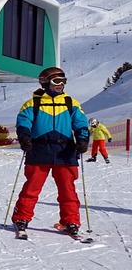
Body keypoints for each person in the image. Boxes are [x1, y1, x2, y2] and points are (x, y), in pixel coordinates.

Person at [11, 67, 91, 236]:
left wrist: (82, 139)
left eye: (63, 81)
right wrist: (24, 136)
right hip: (39, 149)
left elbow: (81, 123)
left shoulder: (71, 102)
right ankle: (21, 218)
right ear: (45, 82)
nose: (60, 85)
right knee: (32, 188)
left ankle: (70, 221)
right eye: (56, 81)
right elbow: (23, 121)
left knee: (67, 189)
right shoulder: (33, 102)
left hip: (65, 150)